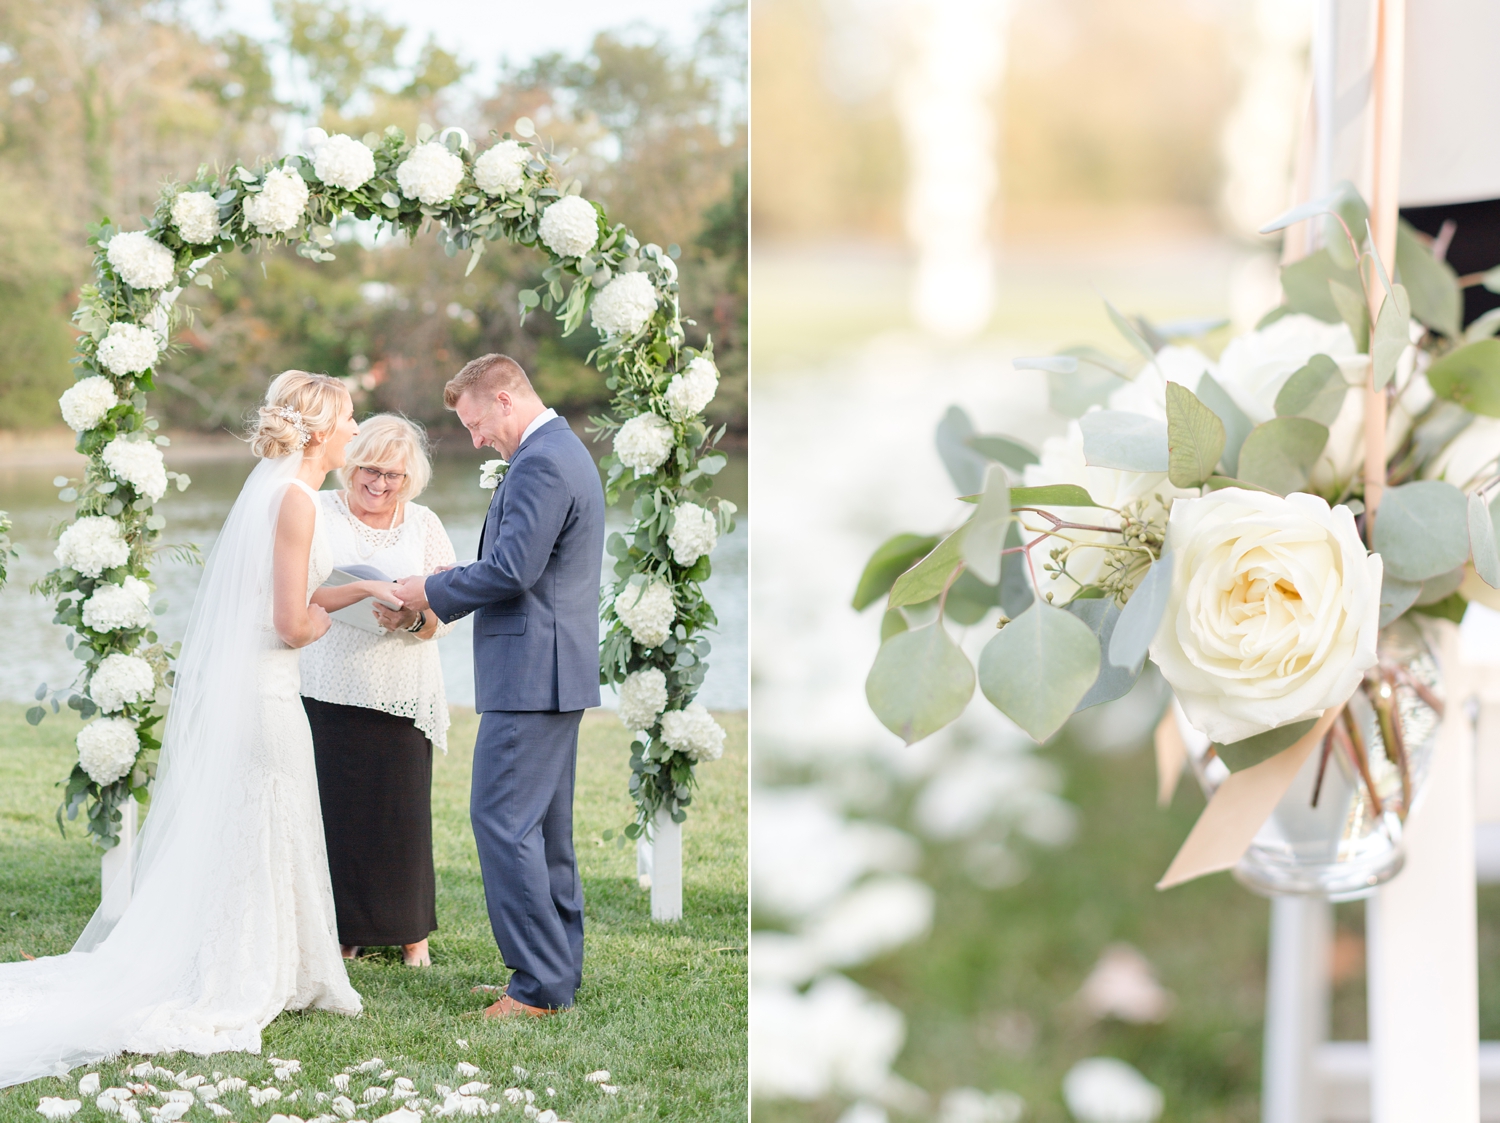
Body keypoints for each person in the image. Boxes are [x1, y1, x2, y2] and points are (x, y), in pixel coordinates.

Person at [0, 370, 400, 1084]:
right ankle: (247, 972)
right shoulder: (298, 503)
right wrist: (333, 614)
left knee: (261, 825)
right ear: (317, 432)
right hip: (267, 690)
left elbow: (289, 594)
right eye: (347, 419)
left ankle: (282, 961)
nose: (354, 429)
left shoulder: (285, 494)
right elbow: (289, 622)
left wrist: (364, 586)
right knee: (266, 822)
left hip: (254, 688)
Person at [394, 353, 604, 1019]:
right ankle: (552, 974)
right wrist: (457, 576)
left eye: (476, 422)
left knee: (503, 821)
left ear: (505, 400)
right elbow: (523, 565)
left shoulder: (542, 460)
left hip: (532, 673)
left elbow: (513, 570)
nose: (476, 437)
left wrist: (429, 587)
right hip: (550, 670)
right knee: (543, 831)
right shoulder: (561, 451)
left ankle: (537, 987)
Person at [299, 414, 458, 968]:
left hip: (402, 689)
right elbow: (295, 589)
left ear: (409, 477)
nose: (379, 484)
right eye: (369, 469)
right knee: (336, 814)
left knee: (402, 814)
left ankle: (413, 935)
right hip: (327, 684)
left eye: (393, 475)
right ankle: (347, 933)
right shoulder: (318, 511)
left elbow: (447, 612)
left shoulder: (425, 524)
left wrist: (411, 622)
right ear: (351, 462)